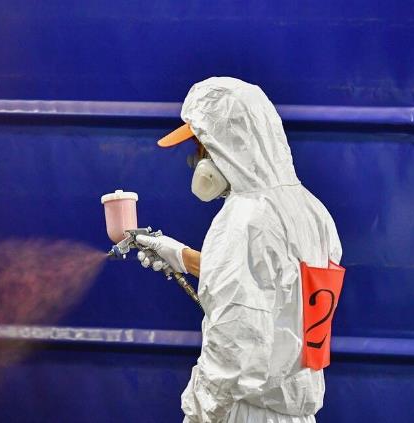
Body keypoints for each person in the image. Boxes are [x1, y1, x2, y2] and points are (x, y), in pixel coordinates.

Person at [135, 77, 342, 422]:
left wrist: (201, 413)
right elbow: (276, 289)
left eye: (200, 149)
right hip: (295, 410)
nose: (196, 162)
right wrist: (178, 255)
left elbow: (235, 344)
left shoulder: (244, 219)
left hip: (247, 411)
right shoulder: (312, 211)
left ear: (226, 147)